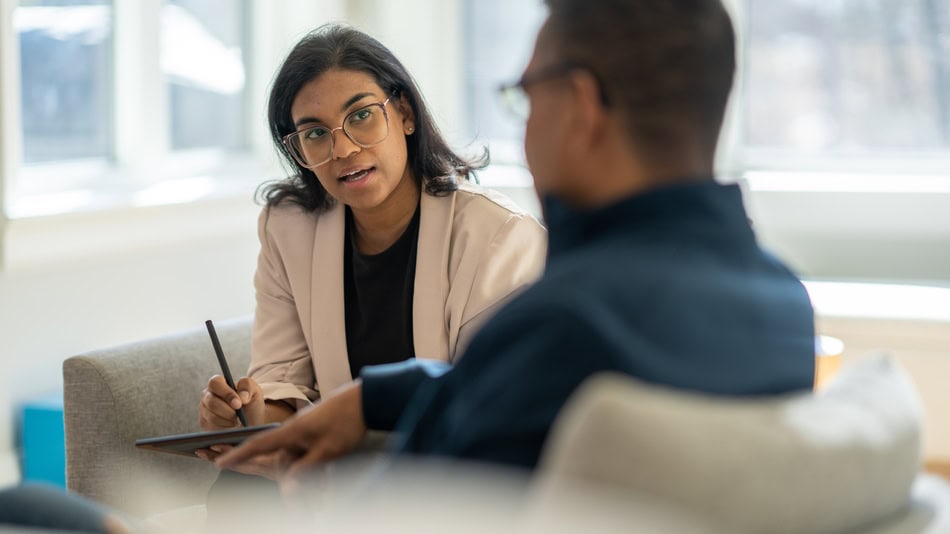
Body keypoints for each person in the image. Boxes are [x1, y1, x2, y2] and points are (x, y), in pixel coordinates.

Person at [217, 0, 816, 477]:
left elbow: (417, 504)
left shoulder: (562, 325)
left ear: (579, 107)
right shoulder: (783, 305)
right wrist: (376, 399)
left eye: (526, 97)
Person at [196, 24, 547, 468]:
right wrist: (248, 413)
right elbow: (285, 384)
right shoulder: (288, 229)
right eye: (315, 133)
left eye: (361, 115)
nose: (342, 149)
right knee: (235, 491)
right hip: (338, 472)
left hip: (443, 474)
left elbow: (483, 404)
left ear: (404, 113)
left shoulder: (499, 237)